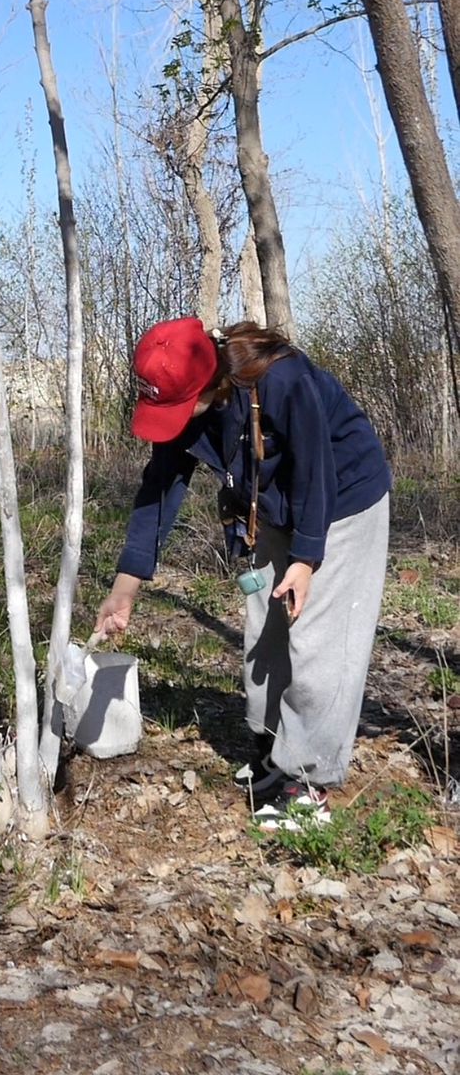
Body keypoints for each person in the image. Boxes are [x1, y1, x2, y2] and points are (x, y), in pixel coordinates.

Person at [95, 317, 391, 829]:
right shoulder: (187, 403)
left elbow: (316, 470)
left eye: (178, 407)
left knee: (318, 640)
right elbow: (160, 488)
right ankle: (273, 752)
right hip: (271, 509)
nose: (174, 419)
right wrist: (127, 585)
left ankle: (308, 779)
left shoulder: (283, 379)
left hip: (341, 502)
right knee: (265, 629)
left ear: (208, 382)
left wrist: (306, 559)